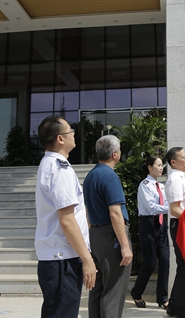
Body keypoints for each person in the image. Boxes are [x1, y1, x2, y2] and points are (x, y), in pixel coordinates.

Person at [34, 116, 97, 318]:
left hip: (59, 257)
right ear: (60, 139)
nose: (74, 134)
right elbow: (66, 220)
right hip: (62, 258)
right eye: (70, 131)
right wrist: (87, 259)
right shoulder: (58, 168)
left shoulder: (51, 164)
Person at [83, 135, 133, 318]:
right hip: (112, 236)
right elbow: (115, 212)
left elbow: (88, 211)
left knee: (97, 289)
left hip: (96, 235)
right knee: (113, 291)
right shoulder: (110, 177)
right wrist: (125, 246)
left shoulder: (90, 176)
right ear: (115, 154)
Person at [131, 156, 170, 309]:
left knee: (165, 261)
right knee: (150, 262)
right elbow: (152, 207)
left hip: (161, 223)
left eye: (162, 165)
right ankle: (136, 292)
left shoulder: (161, 186)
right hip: (148, 224)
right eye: (158, 165)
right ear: (149, 167)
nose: (161, 168)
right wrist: (172, 209)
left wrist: (169, 208)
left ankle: (163, 298)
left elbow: (165, 203)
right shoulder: (144, 185)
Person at [165, 147, 185, 318]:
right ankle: (182, 310)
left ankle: (173, 305)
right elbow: (175, 209)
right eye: (183, 157)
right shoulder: (175, 179)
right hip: (181, 225)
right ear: (173, 162)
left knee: (184, 267)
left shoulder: (183, 177)